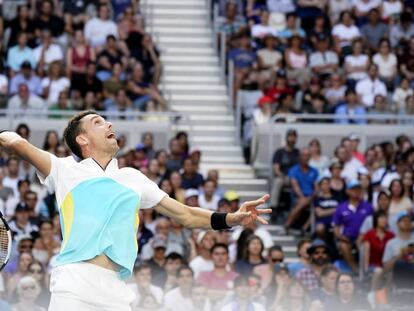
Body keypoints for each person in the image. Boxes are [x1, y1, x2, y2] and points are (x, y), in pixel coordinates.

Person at [0, 110, 270, 310]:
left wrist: (232, 218)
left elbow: (185, 215)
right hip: (75, 283)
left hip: (116, 289)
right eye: (97, 122)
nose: (109, 124)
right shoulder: (64, 170)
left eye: (105, 120)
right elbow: (15, 143)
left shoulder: (133, 178)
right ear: (82, 139)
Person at [333, 181, 374, 273]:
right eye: (353, 189)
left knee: (365, 246)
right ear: (347, 191)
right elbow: (335, 225)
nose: (356, 191)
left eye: (358, 189)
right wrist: (340, 236)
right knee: (343, 246)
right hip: (347, 237)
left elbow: (373, 224)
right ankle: (356, 271)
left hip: (365, 238)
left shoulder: (368, 206)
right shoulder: (341, 207)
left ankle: (366, 271)